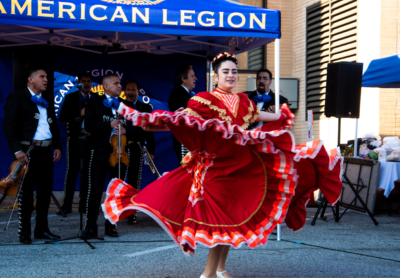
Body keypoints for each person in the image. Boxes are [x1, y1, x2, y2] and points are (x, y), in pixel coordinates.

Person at [102, 52, 342, 278]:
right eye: (226, 71)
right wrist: (142, 117)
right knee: (220, 221)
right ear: (215, 75)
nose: (231, 75)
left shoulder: (243, 101)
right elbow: (182, 119)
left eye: (234, 71)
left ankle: (219, 269)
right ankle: (207, 274)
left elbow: (259, 116)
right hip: (214, 170)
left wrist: (281, 115)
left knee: (233, 220)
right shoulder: (204, 99)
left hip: (239, 167)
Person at [3, 68, 62, 244]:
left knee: (45, 194)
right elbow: (9, 127)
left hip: (46, 151)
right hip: (28, 152)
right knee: (26, 194)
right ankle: (25, 231)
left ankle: (42, 229)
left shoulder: (46, 101)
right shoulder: (17, 97)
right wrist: (17, 150)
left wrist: (57, 145)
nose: (46, 80)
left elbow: (53, 126)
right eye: (42, 77)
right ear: (30, 79)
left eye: (47, 77)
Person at [84, 73, 128, 238]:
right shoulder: (94, 102)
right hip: (101, 150)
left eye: (120, 83)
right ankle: (90, 225)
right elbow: (88, 124)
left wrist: (126, 130)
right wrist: (108, 124)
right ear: (106, 86)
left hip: (119, 152)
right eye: (116, 83)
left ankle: (111, 225)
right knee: (95, 188)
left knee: (116, 191)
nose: (119, 86)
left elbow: (134, 126)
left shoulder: (124, 104)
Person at [57, 72, 98, 215]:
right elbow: (62, 117)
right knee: (72, 171)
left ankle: (84, 204)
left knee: (88, 172)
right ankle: (67, 205)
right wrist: (78, 114)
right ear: (78, 82)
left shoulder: (98, 98)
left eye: (89, 81)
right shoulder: (71, 97)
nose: (86, 84)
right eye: (84, 81)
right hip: (75, 138)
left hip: (92, 140)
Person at [123, 80, 156, 224]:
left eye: (133, 90)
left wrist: (151, 151)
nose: (130, 92)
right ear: (124, 91)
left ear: (138, 92)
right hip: (120, 148)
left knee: (134, 181)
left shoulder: (146, 107)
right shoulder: (120, 106)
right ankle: (120, 210)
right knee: (119, 181)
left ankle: (132, 212)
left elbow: (149, 132)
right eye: (128, 90)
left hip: (137, 148)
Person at [168, 64, 197, 162]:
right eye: (192, 76)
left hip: (188, 140)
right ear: (183, 79)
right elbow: (190, 114)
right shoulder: (178, 93)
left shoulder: (185, 94)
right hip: (184, 141)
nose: (195, 78)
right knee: (187, 171)